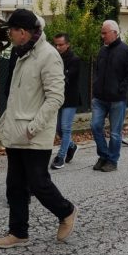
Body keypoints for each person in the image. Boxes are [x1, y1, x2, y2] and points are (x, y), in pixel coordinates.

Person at [0, 9, 77, 249]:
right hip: (15, 130)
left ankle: (67, 211)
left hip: (34, 133)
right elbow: (18, 93)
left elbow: (55, 97)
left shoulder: (48, 55)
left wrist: (34, 127)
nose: (9, 34)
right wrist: (5, 119)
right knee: (15, 186)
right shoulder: (21, 54)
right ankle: (18, 232)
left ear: (24, 32)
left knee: (39, 183)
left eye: (11, 30)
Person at [90, 20, 128, 172]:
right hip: (99, 99)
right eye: (102, 33)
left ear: (115, 33)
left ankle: (112, 161)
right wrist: (95, 87)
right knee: (95, 126)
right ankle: (103, 155)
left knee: (115, 133)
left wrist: (120, 89)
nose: (102, 36)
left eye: (105, 33)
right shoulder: (102, 51)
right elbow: (96, 71)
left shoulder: (126, 51)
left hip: (117, 100)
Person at [50, 33, 81, 170]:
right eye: (56, 44)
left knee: (65, 127)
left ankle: (60, 157)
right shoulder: (52, 58)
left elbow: (66, 77)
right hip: (57, 98)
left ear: (67, 44)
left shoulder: (75, 59)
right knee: (58, 129)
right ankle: (72, 146)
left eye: (61, 44)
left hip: (70, 98)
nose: (58, 47)